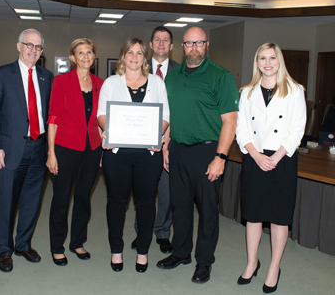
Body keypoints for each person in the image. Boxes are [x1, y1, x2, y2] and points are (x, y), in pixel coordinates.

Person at [156, 27, 238, 284]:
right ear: (182, 46)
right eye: (189, 43)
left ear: (206, 44)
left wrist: (220, 158)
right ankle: (181, 253)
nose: (194, 48)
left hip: (207, 152)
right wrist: (166, 147)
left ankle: (204, 261)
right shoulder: (171, 77)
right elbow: (170, 117)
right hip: (178, 150)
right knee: (179, 206)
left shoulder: (221, 76)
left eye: (198, 43)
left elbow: (230, 122)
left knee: (207, 210)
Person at [236, 43, 306, 293]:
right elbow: (241, 128)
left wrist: (275, 157)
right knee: (253, 216)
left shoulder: (295, 90)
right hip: (254, 157)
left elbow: (297, 130)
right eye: (262, 58)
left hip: (282, 158)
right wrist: (255, 155)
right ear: (256, 63)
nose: (267, 63)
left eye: (272, 58)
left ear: (280, 61)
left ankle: (274, 267)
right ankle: (252, 262)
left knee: (279, 218)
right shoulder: (247, 91)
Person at [97, 37, 170, 273]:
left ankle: (143, 252)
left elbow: (165, 115)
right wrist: (110, 130)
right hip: (117, 153)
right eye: (130, 52)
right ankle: (116, 251)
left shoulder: (157, 83)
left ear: (144, 57)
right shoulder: (110, 83)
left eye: (139, 53)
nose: (135, 57)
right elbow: (101, 115)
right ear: (123, 56)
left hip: (148, 154)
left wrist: (153, 134)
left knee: (146, 204)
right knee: (116, 203)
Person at [0, 28, 53, 272]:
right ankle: (3, 250)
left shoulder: (47, 76)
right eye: (29, 45)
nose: (33, 50)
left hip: (39, 148)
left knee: (32, 201)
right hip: (11, 149)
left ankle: (23, 244)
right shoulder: (2, 74)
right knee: (7, 201)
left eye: (38, 47)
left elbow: (51, 114)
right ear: (19, 46)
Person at [47, 38, 103, 266]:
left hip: (91, 148)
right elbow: (53, 118)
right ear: (72, 57)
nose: (86, 56)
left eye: (89, 52)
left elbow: (102, 119)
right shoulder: (61, 81)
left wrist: (100, 151)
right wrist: (51, 152)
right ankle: (57, 246)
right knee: (61, 199)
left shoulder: (101, 83)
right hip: (65, 147)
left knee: (83, 198)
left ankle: (77, 242)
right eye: (80, 53)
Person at [131, 26, 180, 254]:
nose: (161, 44)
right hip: (141, 141)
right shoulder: (138, 66)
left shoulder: (181, 72)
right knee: (143, 191)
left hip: (172, 140)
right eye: (157, 40)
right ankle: (141, 232)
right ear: (150, 45)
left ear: (171, 46)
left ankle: (162, 232)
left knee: (167, 192)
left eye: (166, 40)